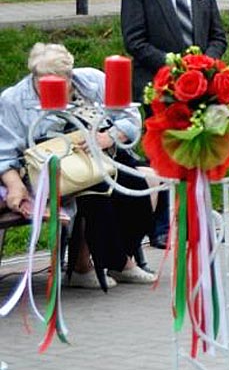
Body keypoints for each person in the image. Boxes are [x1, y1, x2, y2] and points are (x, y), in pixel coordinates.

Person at [0, 43, 155, 289]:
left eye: (64, 81)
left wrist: (109, 137)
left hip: (101, 156)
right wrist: (15, 186)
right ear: (34, 77)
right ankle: (109, 263)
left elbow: (130, 118)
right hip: (48, 169)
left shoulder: (92, 81)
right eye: (46, 83)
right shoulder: (14, 100)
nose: (57, 87)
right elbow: (4, 153)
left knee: (139, 183)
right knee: (97, 192)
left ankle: (120, 257)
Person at [120, 0, 226, 248]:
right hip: (159, 87)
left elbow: (217, 37)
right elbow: (134, 41)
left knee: (197, 155)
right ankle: (162, 226)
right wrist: (175, 66)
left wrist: (203, 66)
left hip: (199, 89)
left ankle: (198, 220)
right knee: (164, 158)